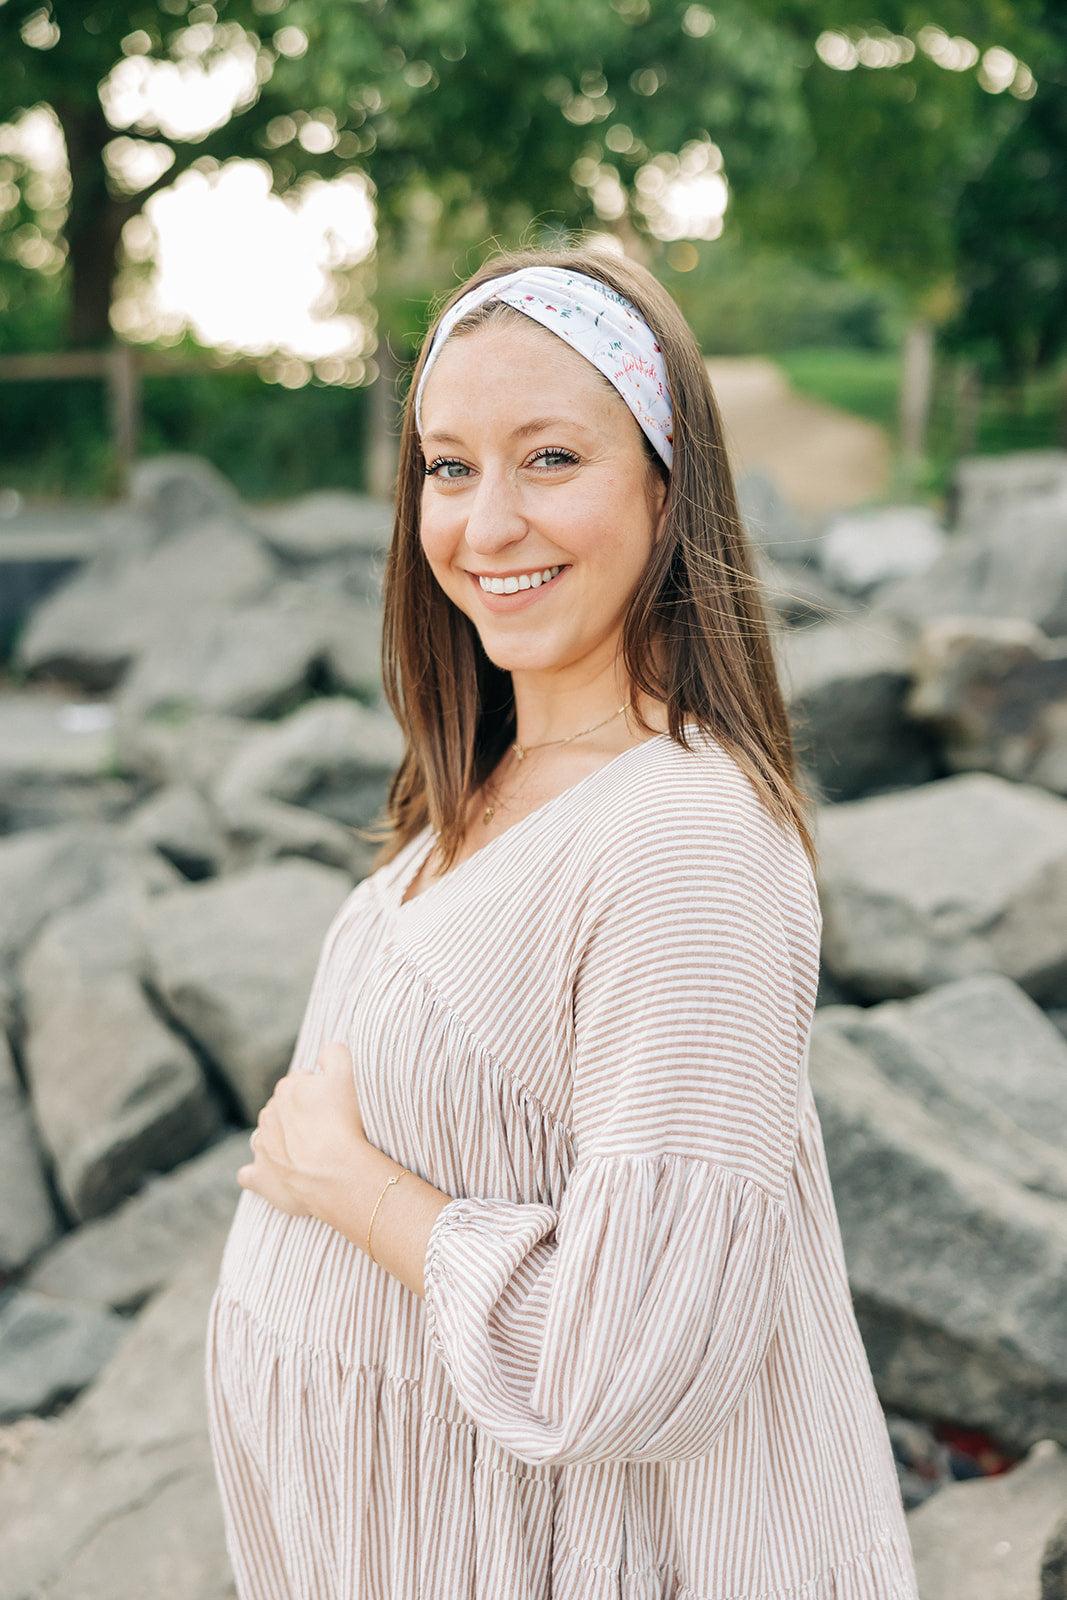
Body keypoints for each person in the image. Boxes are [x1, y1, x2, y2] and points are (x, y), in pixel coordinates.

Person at [206, 246, 919, 1600]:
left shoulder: (688, 848)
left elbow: (631, 1358)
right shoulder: (483, 780)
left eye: (550, 459)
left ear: (667, 482)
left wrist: (345, 1183)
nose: (486, 526)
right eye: (450, 466)